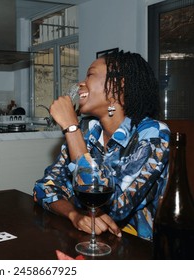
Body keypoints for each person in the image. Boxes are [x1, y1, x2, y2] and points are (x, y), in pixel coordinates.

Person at [33, 50, 170, 240]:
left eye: (90, 75)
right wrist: (74, 214)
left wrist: (71, 128)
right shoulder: (88, 132)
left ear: (118, 85)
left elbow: (115, 206)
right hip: (90, 241)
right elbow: (44, 187)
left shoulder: (153, 135)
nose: (81, 83)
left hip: (141, 250)